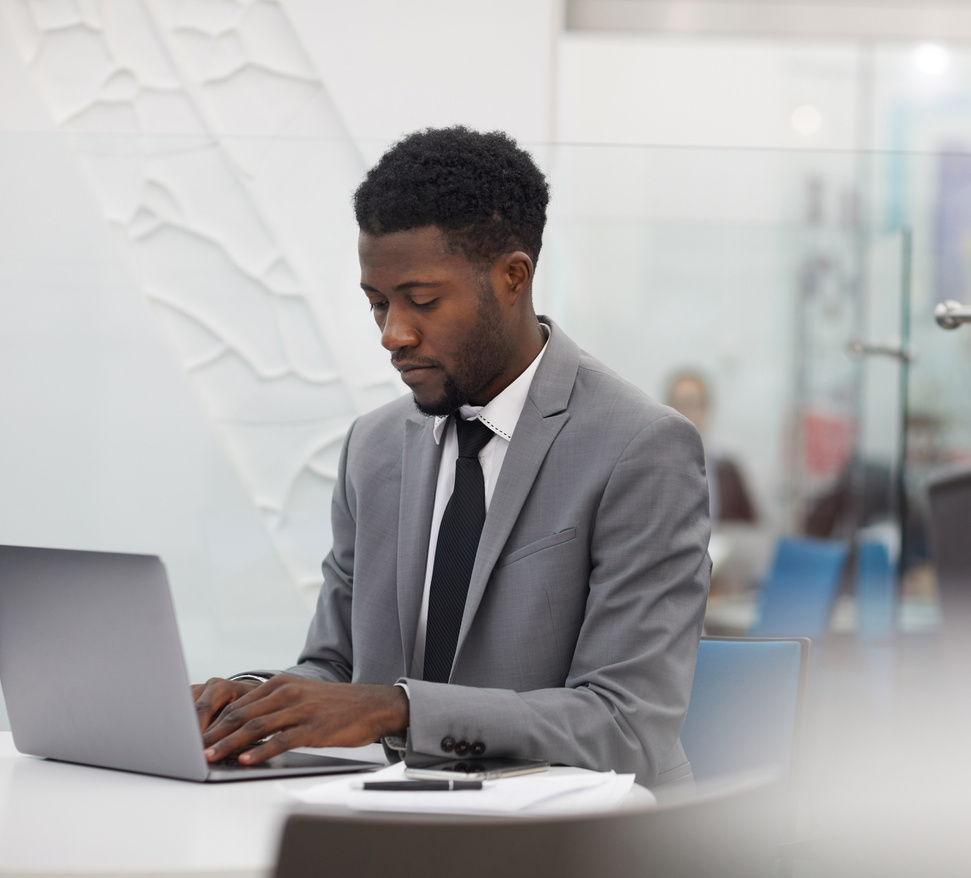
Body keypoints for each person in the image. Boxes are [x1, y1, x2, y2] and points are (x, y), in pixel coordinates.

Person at [191, 127, 711, 788]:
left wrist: (398, 708)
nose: (393, 335)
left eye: (422, 301)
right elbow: (335, 666)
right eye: (377, 305)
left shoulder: (640, 448)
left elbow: (625, 725)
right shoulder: (374, 448)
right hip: (404, 824)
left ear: (512, 277)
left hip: (578, 841)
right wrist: (246, 703)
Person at [665, 371, 757, 524]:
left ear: (706, 409)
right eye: (680, 404)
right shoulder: (653, 465)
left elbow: (751, 525)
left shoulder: (728, 470)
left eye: (692, 404)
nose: (685, 413)